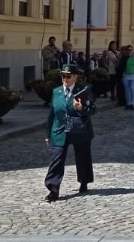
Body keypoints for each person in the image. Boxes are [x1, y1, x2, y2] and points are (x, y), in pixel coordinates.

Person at [44, 64, 95, 201]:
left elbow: (93, 110)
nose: (65, 79)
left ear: (75, 77)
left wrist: (81, 109)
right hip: (60, 130)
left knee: (83, 157)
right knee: (57, 157)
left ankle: (84, 181)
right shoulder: (57, 92)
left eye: (68, 76)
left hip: (80, 130)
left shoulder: (83, 90)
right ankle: (53, 188)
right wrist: (48, 133)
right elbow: (52, 114)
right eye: (63, 76)